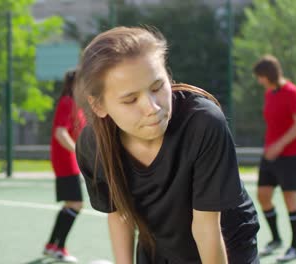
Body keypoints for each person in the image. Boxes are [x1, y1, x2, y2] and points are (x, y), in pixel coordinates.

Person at [74, 26, 260, 264]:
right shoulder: (93, 146)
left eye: (158, 87)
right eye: (131, 99)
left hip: (226, 245)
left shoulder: (203, 123)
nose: (152, 108)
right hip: (158, 246)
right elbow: (119, 214)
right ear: (98, 106)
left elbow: (206, 227)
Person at [253, 55, 296, 262]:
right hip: (271, 155)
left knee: (289, 200)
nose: (259, 81)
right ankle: (276, 239)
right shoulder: (269, 93)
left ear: (268, 74)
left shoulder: (291, 91)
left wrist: (279, 145)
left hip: (292, 155)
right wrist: (271, 147)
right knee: (263, 195)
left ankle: (295, 247)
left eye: (260, 77)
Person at [43, 70, 86, 263]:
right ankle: (58, 247)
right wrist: (78, 151)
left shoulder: (78, 105)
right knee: (76, 204)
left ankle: (52, 245)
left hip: (70, 160)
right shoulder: (67, 102)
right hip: (65, 160)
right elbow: (61, 133)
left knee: (70, 204)